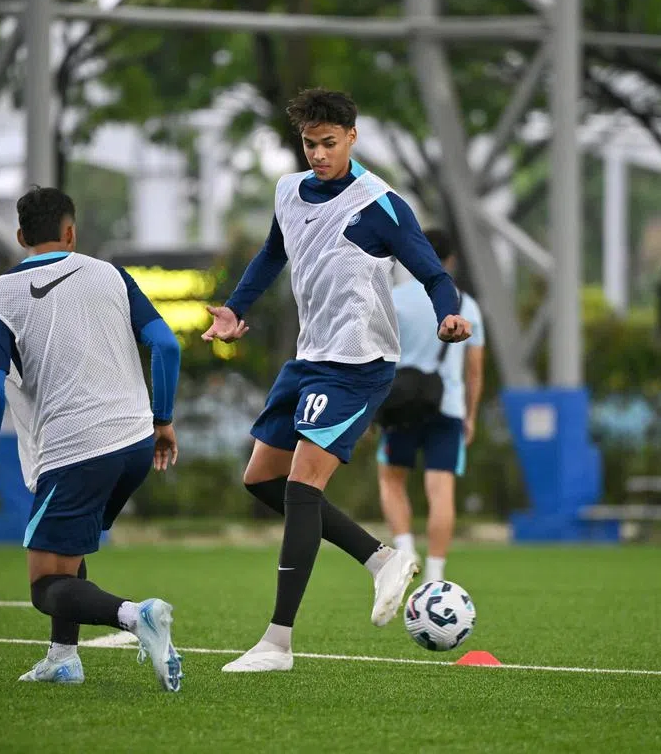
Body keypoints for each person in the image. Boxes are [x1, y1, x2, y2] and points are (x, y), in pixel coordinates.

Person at [202, 88, 472, 673]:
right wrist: (236, 308)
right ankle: (381, 559)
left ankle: (277, 643)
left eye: (329, 143)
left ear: (352, 137)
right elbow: (273, 254)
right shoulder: (288, 193)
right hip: (307, 359)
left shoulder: (381, 204)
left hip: (358, 365)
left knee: (302, 487)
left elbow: (431, 272)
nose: (318, 154)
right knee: (261, 478)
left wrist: (448, 312)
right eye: (309, 144)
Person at [0, 186, 184, 691]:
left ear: (20, 237)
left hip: (75, 448)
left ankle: (136, 616)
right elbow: (166, 344)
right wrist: (163, 419)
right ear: (70, 233)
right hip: (132, 443)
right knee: (70, 547)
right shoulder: (109, 273)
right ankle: (63, 658)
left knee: (45, 585)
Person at [377, 228, 486, 583]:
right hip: (447, 406)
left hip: (400, 404)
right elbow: (474, 372)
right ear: (451, 260)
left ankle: (406, 553)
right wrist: (470, 415)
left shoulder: (395, 298)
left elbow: (377, 356)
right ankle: (435, 575)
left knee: (392, 480)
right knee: (440, 490)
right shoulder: (466, 304)